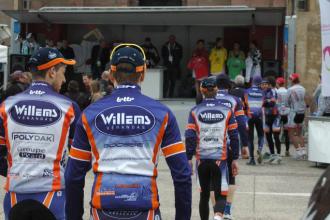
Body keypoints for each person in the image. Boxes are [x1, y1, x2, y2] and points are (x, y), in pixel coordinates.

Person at [65, 44, 192, 220]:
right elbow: (182, 175)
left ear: (111, 74)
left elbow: (73, 176)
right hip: (145, 207)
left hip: (103, 208)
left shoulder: (90, 114)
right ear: (143, 73)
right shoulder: (163, 114)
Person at [0, 47, 80, 219]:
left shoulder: (7, 104)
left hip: (15, 194)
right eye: (63, 72)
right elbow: (78, 158)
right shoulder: (69, 107)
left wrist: (13, 171)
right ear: (52, 71)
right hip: (53, 196)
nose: (65, 79)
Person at [185, 76, 239, 220]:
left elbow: (190, 136)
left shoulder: (194, 111)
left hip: (201, 160)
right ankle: (218, 217)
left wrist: (188, 158)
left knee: (204, 195)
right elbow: (234, 136)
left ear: (202, 90)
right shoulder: (227, 110)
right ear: (216, 90)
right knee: (221, 194)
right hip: (220, 159)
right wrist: (235, 158)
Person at [215, 74, 248, 219]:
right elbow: (241, 124)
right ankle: (227, 211)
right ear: (230, 86)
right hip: (228, 144)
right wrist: (245, 144)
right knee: (231, 178)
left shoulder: (208, 99)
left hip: (209, 145)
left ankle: (217, 213)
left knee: (212, 180)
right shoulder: (235, 100)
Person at [261, 77, 282, 164]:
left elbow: (271, 103)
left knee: (276, 136)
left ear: (269, 85)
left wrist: (265, 102)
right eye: (263, 84)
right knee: (268, 136)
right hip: (267, 116)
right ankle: (273, 154)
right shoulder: (262, 92)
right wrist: (266, 102)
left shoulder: (273, 91)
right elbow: (263, 103)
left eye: (266, 84)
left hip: (275, 116)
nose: (264, 86)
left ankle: (278, 155)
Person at [286, 73, 307, 159]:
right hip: (302, 112)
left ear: (292, 80)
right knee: (299, 133)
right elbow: (305, 99)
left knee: (291, 133)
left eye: (290, 79)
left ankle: (298, 152)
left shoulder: (290, 89)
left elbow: (287, 101)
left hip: (294, 112)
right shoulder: (303, 88)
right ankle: (303, 151)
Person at [245, 75, 265, 165]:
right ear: (260, 83)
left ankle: (251, 159)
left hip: (249, 116)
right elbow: (263, 103)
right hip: (259, 116)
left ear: (252, 82)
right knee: (261, 135)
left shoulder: (247, 91)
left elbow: (244, 104)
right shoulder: (262, 92)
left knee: (250, 138)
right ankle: (260, 149)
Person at [187, 39, 209, 104]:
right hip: (196, 68)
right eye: (199, 44)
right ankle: (197, 94)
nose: (200, 45)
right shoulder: (194, 51)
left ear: (203, 45)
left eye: (201, 44)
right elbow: (192, 60)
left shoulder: (206, 52)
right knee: (196, 81)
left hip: (204, 69)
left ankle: (203, 94)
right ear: (197, 45)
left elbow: (208, 60)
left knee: (203, 81)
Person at [276, 77, 291, 156]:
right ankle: (287, 150)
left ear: (278, 83)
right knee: (286, 133)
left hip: (279, 113)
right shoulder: (287, 91)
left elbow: (276, 102)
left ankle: (278, 152)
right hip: (287, 113)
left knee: (277, 133)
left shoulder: (277, 91)